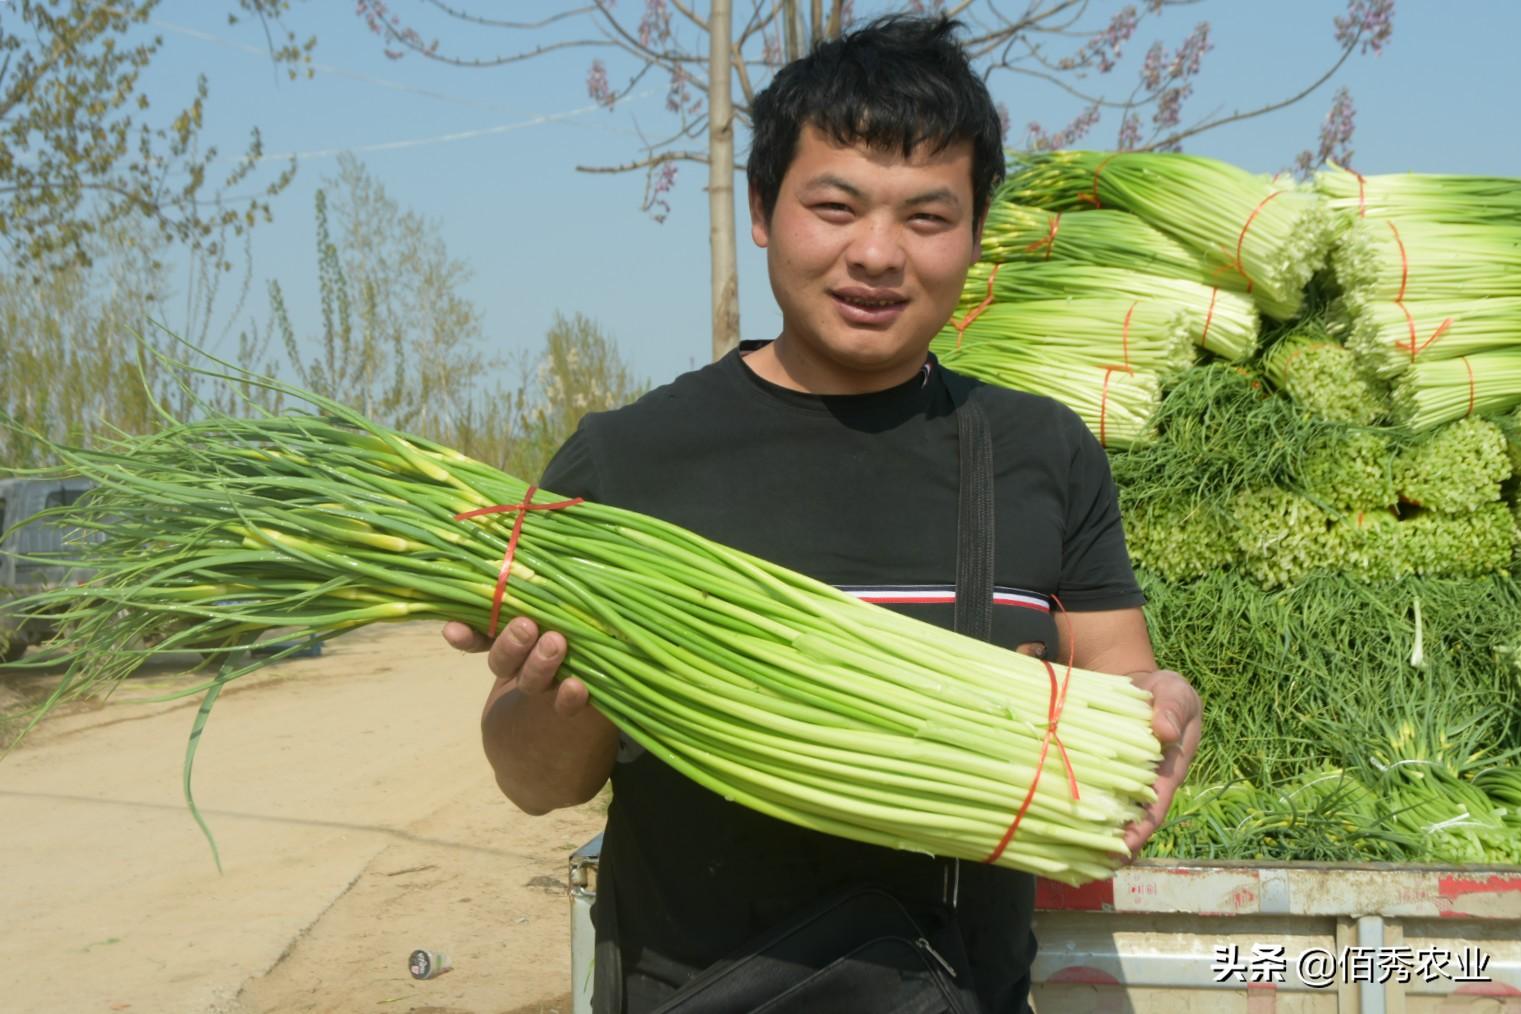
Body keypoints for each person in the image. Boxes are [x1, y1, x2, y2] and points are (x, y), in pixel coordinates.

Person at [444, 14, 1202, 1013]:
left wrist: (1158, 702)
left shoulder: (1037, 451)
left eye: (928, 218)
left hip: (961, 992)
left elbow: (1120, 670)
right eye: (835, 207)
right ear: (762, 208)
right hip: (701, 993)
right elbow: (535, 783)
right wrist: (550, 699)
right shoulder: (626, 459)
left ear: (977, 231)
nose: (879, 254)